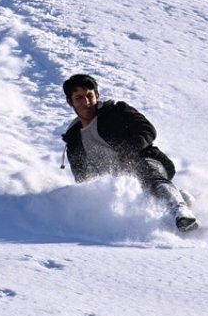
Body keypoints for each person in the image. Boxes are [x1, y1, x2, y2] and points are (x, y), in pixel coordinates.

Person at [60, 73, 198, 231]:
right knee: (137, 199)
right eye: (79, 98)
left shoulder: (116, 111)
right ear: (69, 101)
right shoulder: (74, 139)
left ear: (97, 95)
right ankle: (183, 200)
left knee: (146, 170)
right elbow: (82, 178)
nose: (86, 102)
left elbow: (147, 129)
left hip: (147, 161)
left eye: (89, 95)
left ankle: (181, 210)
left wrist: (127, 153)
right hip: (121, 182)